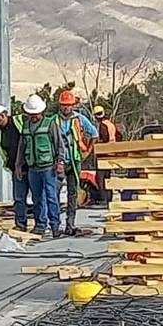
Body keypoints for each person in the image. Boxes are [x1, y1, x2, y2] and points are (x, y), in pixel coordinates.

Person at [15, 95, 65, 237]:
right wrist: (18, 165)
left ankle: (55, 225)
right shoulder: (25, 126)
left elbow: (59, 144)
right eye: (31, 114)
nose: (33, 116)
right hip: (33, 168)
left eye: (36, 114)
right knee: (37, 198)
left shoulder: (50, 124)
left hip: (48, 168)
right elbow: (22, 147)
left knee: (51, 197)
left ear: (41, 112)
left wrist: (60, 161)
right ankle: (40, 225)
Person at [52, 90, 98, 235]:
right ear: (60, 105)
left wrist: (88, 151)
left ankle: (70, 224)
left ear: (73, 105)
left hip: (74, 160)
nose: (66, 108)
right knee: (54, 192)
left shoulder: (80, 119)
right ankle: (55, 225)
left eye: (69, 105)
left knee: (72, 193)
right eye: (64, 105)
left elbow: (94, 134)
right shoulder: (54, 120)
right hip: (58, 161)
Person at [93, 105, 121, 204]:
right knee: (107, 178)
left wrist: (96, 144)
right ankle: (109, 198)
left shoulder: (102, 125)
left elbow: (104, 139)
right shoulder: (110, 124)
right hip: (111, 154)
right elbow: (119, 136)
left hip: (103, 155)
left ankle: (104, 199)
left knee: (101, 179)